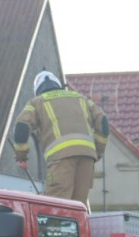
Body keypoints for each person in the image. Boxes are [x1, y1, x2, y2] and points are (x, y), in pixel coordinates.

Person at [13, 70, 109, 207]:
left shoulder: (37, 102)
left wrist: (21, 157)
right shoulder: (81, 99)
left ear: (38, 90)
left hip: (61, 160)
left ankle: (52, 230)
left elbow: (21, 126)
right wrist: (98, 152)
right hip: (87, 158)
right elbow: (103, 122)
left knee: (56, 209)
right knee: (77, 209)